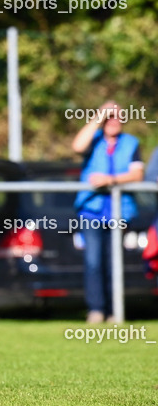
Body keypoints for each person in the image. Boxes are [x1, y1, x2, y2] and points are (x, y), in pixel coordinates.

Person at [72, 101, 143, 324]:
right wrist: (98, 115)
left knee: (115, 263)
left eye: (117, 117)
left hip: (119, 212)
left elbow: (137, 174)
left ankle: (115, 311)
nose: (113, 121)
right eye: (109, 118)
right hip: (92, 211)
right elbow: (76, 146)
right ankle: (96, 309)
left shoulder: (131, 143)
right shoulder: (93, 141)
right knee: (93, 262)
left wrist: (110, 180)